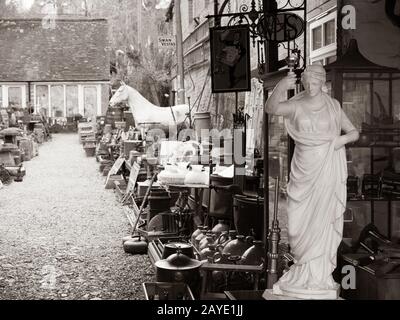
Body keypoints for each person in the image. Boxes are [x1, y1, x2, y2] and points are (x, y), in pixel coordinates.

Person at [265, 64, 360, 299]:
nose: (311, 86)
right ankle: (301, 269)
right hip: (303, 171)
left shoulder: (333, 106)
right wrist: (281, 87)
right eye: (307, 82)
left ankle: (319, 275)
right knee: (298, 226)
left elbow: (354, 132)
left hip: (327, 168)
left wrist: (338, 142)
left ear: (323, 82)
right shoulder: (297, 105)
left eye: (315, 82)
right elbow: (272, 108)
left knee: (323, 221)